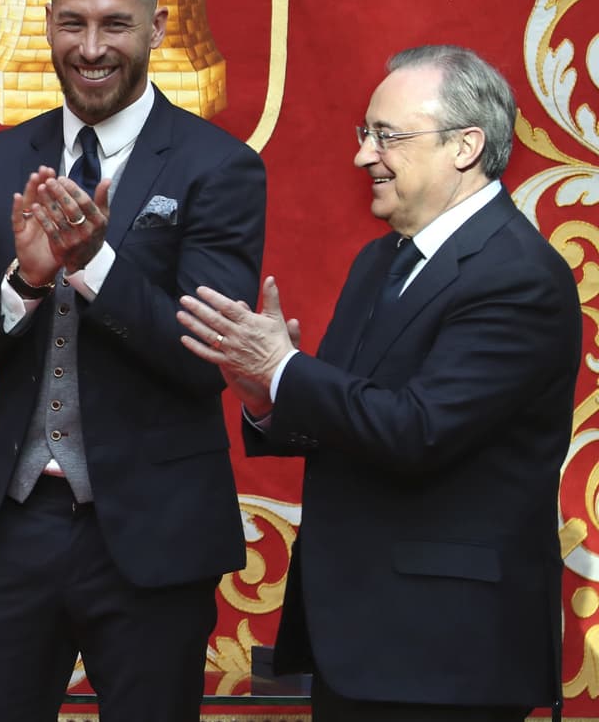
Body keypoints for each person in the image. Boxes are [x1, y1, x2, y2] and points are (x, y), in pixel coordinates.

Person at [0, 0, 267, 721]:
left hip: (154, 535)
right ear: (47, 22)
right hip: (13, 527)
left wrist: (94, 264)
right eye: (73, 23)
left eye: (115, 24)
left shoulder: (219, 166)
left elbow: (203, 361)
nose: (91, 47)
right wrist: (25, 280)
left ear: (157, 27)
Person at [178, 45, 580, 721]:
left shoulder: (518, 275)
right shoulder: (380, 259)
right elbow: (351, 413)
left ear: (465, 146)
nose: (364, 155)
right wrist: (265, 394)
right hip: (359, 638)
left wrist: (285, 367)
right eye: (365, 133)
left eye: (387, 136)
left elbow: (418, 431)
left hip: (448, 653)